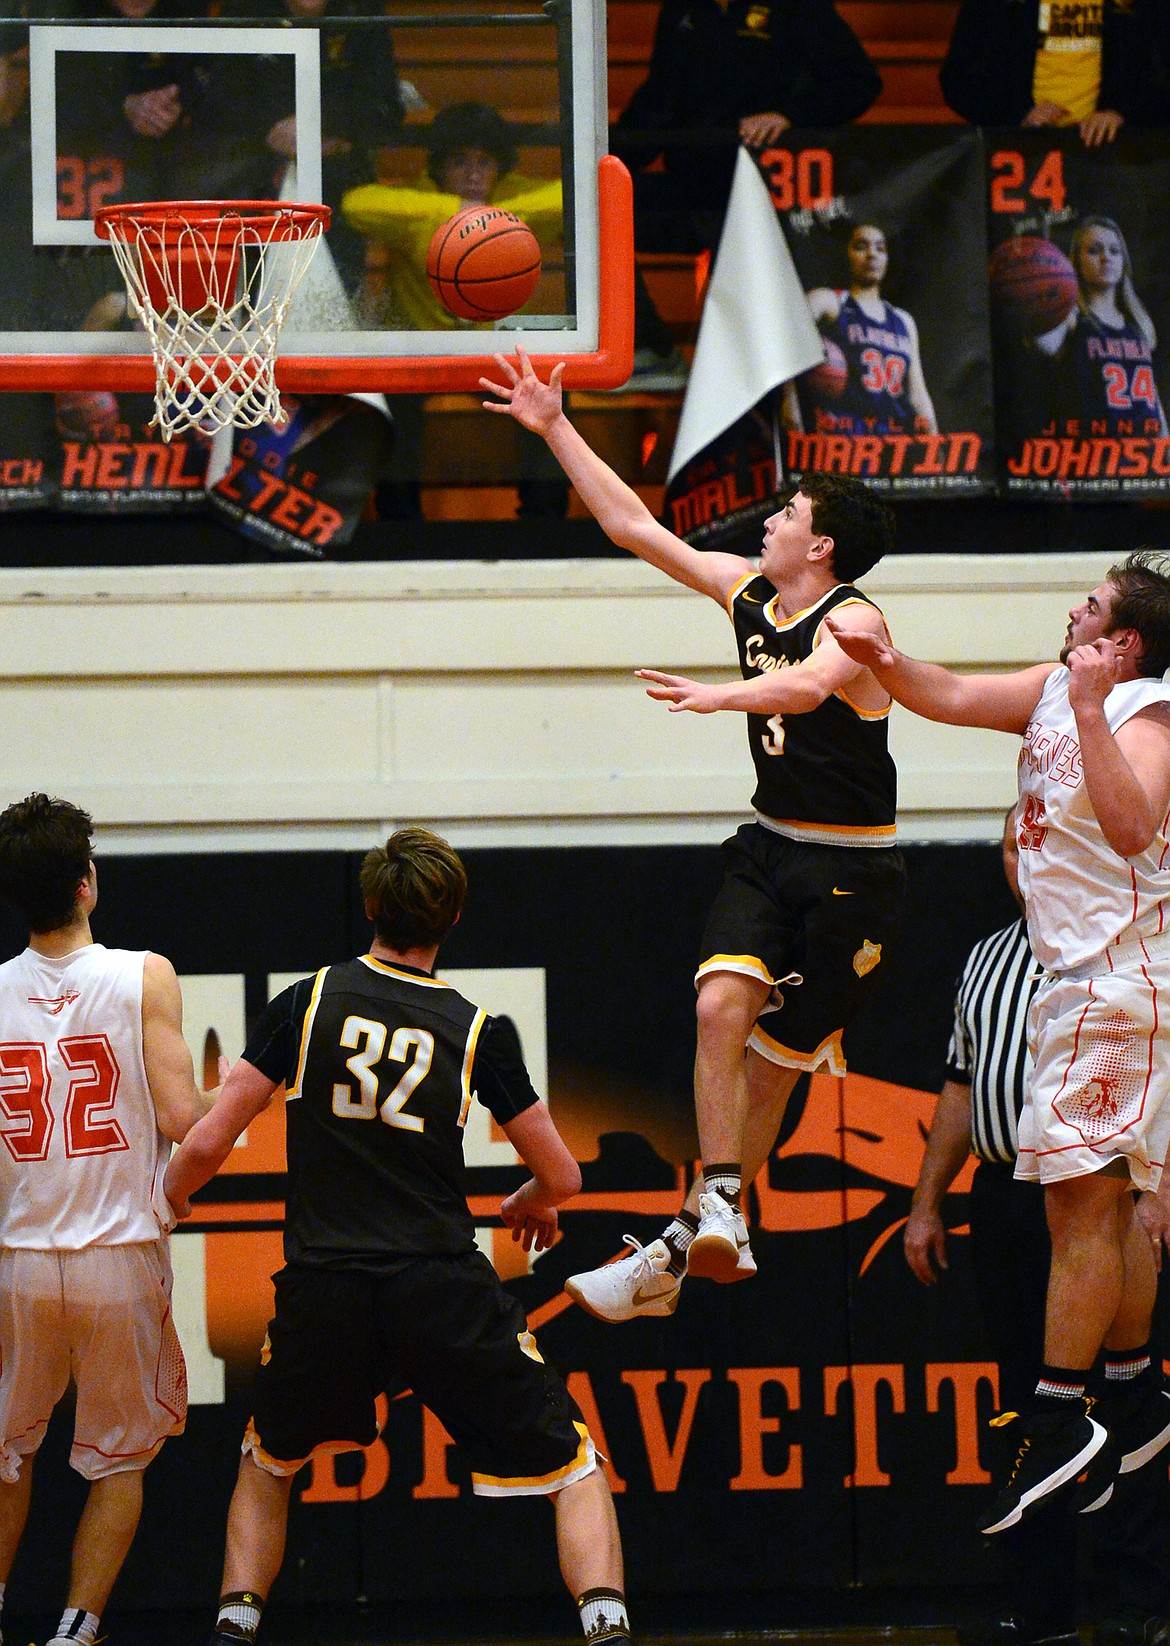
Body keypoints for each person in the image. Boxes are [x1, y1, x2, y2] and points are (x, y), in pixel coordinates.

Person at [480, 347, 904, 1319]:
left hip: (855, 875)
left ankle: (678, 1246)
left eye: (788, 513)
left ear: (823, 547)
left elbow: (803, 687)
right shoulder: (747, 591)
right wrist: (553, 424)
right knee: (720, 1008)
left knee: (770, 1066)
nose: (770, 519)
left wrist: (721, 694)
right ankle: (715, 1199)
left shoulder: (858, 619)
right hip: (770, 844)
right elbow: (634, 525)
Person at [162, 826, 632, 1646]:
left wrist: (162, 1205)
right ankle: (608, 1627)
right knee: (574, 1470)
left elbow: (205, 1145)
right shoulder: (476, 1025)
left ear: (370, 905)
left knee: (267, 1465)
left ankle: (234, 1629)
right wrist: (532, 1196)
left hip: (326, 1286)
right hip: (441, 1287)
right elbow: (563, 1177)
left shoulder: (307, 1001)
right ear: (451, 918)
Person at [822, 549, 1170, 1534]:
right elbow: (957, 691)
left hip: (1118, 981)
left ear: (1123, 641)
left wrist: (1097, 709)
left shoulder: (1146, 714)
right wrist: (886, 658)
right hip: (1081, 981)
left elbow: (1136, 826)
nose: (1071, 609)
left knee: (1080, 1209)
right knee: (1107, 1198)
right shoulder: (1054, 686)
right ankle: (1136, 1396)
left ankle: (1064, 1416)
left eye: (1091, 605)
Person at [907, 809, 1170, 1646]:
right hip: (1007, 1195)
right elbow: (960, 1085)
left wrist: (1159, 1192)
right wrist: (926, 1200)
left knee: (1125, 1399)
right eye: (1017, 847)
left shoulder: (1133, 934)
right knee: (1031, 1413)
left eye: (1042, 842)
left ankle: (1137, 1604)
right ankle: (1045, 1609)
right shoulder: (987, 956)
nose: (1029, 859)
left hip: (1109, 1195)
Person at [0, 792, 215, 1646]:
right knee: (119, 1460)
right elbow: (182, 1121)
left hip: (21, 1255)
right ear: (87, 882)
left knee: (9, 1454)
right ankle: (75, 1631)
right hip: (117, 1251)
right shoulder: (142, 973)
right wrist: (228, 1085)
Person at [609, 0, 881, 389]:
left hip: (766, 200)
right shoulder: (680, 10)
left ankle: (742, 407)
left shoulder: (798, 7)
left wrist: (789, 116)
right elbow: (660, 97)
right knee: (601, 209)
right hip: (693, 186)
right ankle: (654, 352)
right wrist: (607, 160)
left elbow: (859, 81)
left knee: (738, 318)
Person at [343, 101, 568, 520]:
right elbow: (356, 203)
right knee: (389, 404)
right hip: (422, 349)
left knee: (549, 395)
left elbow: (573, 194)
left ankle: (544, 520)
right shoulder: (423, 203)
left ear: (500, 167)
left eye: (485, 162)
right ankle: (400, 525)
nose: (473, 173)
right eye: (460, 161)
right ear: (438, 167)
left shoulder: (512, 194)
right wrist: (452, 213)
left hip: (496, 353)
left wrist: (492, 220)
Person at [784, 220, 938, 438]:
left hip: (893, 441)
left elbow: (917, 394)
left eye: (880, 248)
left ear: (888, 259)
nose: (872, 255)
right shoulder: (829, 302)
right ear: (846, 254)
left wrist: (935, 441)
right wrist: (790, 401)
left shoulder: (904, 321)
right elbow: (785, 335)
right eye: (861, 246)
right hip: (844, 441)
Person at [940, 0, 1170, 143]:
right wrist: (1017, 116)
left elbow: (1162, 75)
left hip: (1111, 156)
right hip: (1020, 153)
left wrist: (1123, 115)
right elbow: (958, 77)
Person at [1031, 216, 1168, 439]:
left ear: (1123, 262)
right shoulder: (1071, 317)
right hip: (1098, 456)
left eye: (1115, 251)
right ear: (1076, 262)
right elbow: (1042, 343)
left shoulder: (1138, 323)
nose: (1106, 257)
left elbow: (1153, 398)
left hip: (1144, 455)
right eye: (1094, 250)